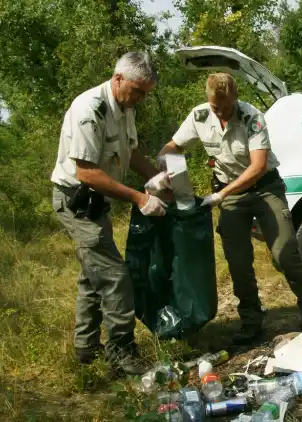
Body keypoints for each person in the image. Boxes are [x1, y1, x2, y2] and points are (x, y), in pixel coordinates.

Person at [155, 72, 302, 345]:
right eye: (216, 108)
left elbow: (257, 166)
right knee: (238, 261)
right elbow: (173, 146)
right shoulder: (199, 117)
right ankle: (251, 321)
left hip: (264, 187)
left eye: (227, 107)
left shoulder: (251, 117)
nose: (222, 113)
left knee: (283, 251)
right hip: (229, 192)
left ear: (236, 97)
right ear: (208, 101)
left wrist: (220, 195)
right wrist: (164, 162)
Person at [50, 51, 172, 375]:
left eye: (146, 93)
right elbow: (86, 173)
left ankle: (85, 348)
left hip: (95, 202)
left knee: (93, 274)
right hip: (75, 200)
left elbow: (130, 152)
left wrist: (153, 178)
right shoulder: (89, 109)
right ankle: (121, 354)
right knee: (116, 277)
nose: (141, 99)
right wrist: (139, 198)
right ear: (119, 79)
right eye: (138, 91)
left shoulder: (123, 106)